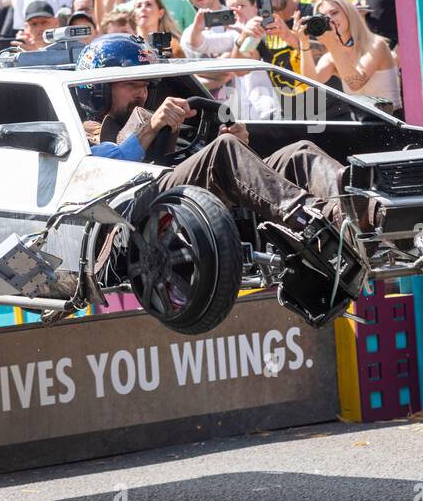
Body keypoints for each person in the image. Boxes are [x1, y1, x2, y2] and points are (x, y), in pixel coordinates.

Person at [76, 33, 366, 323]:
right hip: (121, 227)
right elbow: (101, 169)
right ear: (100, 87)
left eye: (144, 86)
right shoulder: (83, 131)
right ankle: (319, 223)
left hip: (176, 210)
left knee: (298, 154)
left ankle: (361, 213)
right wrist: (151, 128)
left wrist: (238, 145)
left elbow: (182, 163)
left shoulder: (148, 120)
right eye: (131, 85)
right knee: (223, 151)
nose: (141, 93)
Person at [293, 0, 400, 108]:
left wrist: (332, 45)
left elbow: (356, 83)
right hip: (361, 121)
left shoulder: (376, 45)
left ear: (349, 13)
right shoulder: (332, 56)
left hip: (391, 120)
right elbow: (311, 83)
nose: (331, 20)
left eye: (334, 13)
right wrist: (303, 43)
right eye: (324, 17)